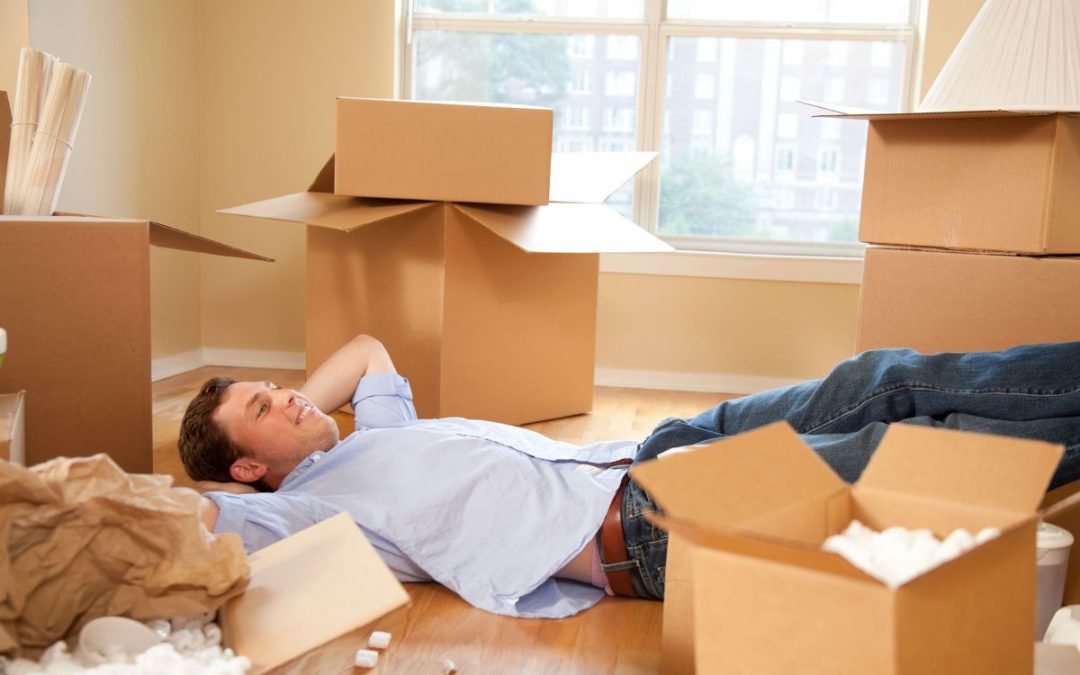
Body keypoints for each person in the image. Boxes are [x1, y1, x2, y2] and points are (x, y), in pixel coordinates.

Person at [180, 335, 1080, 618]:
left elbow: (368, 346)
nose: (294, 397)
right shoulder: (314, 513)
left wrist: (289, 404)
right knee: (919, 452)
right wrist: (251, 480)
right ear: (252, 468)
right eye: (263, 410)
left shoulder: (368, 435)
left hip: (656, 449)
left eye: (279, 387)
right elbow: (203, 516)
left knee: (881, 379)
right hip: (656, 522)